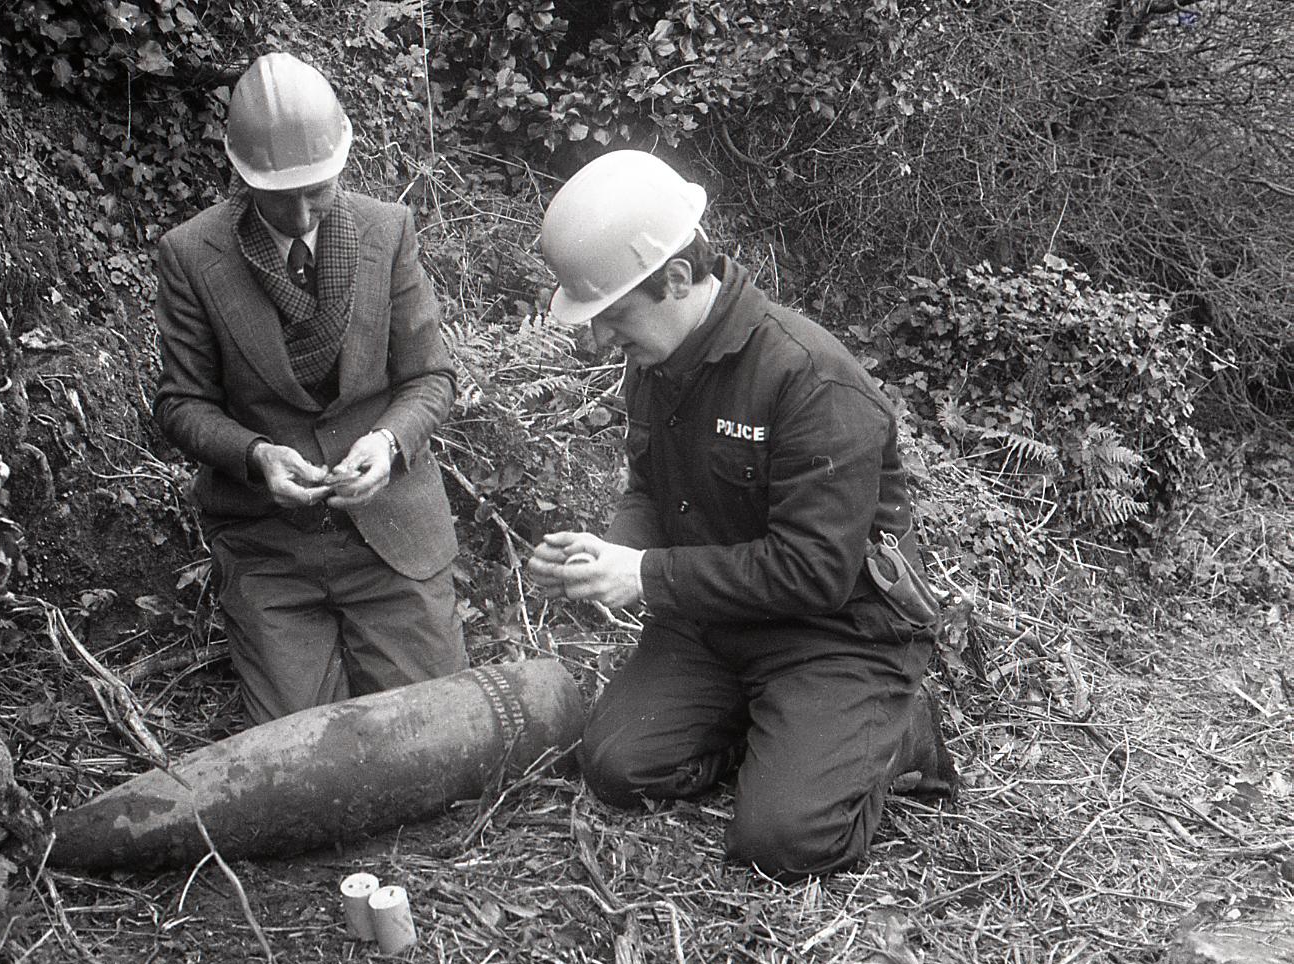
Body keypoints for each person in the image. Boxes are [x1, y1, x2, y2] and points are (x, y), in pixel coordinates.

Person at [527, 150, 957, 880]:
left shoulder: (809, 379)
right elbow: (648, 491)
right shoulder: (654, 362)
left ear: (674, 278)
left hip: (834, 632)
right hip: (715, 621)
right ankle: (778, 733)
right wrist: (608, 551)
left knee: (784, 842)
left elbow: (814, 573)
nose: (598, 341)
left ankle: (898, 731)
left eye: (611, 317)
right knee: (616, 767)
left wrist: (645, 574)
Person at [153, 52, 465, 725]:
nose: (299, 213)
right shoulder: (191, 254)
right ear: (239, 175)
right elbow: (180, 403)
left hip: (391, 529)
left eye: (316, 191)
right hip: (272, 546)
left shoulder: (387, 230)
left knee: (430, 732)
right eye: (277, 194)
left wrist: (388, 442)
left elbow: (429, 376)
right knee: (304, 757)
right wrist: (258, 456)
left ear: (342, 164)